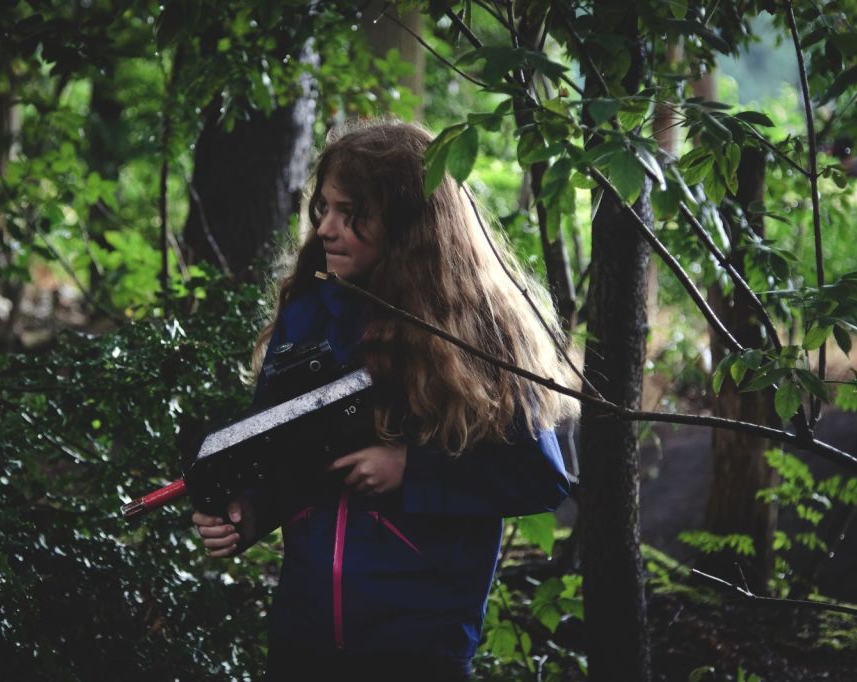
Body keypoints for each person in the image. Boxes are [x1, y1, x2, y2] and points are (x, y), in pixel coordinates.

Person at [192, 120, 575, 680]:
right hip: (303, 634)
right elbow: (283, 450)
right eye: (323, 208)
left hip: (419, 644)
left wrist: (411, 471)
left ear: (409, 222)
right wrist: (250, 513)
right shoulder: (307, 314)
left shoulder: (479, 333)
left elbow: (539, 476)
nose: (326, 228)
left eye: (351, 213)